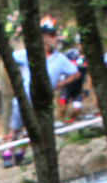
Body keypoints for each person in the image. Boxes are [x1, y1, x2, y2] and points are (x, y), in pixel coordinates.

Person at [6, 17, 80, 145]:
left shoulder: (60, 58)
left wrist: (60, 84)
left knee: (34, 131)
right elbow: (8, 58)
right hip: (23, 99)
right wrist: (15, 82)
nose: (56, 38)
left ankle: (22, 152)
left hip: (43, 102)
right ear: (44, 38)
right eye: (52, 35)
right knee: (15, 129)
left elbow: (76, 73)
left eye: (56, 35)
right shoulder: (28, 54)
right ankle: (7, 151)